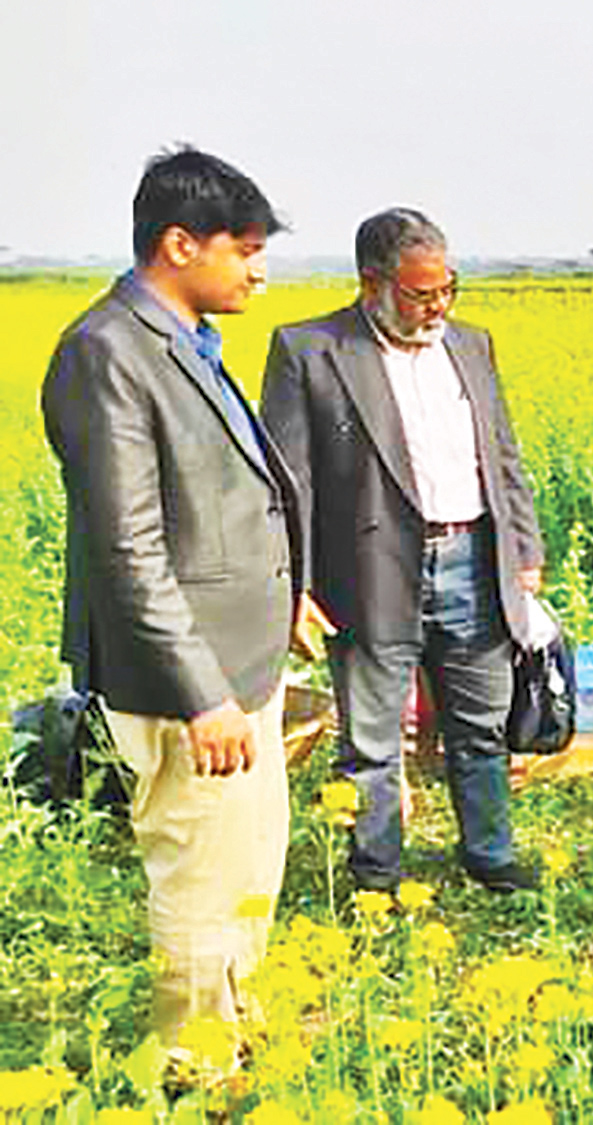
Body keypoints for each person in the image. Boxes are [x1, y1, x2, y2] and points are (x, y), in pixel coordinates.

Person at [42, 147, 317, 1049]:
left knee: (247, 865)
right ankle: (199, 1068)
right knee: (200, 878)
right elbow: (129, 549)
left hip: (244, 663)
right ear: (178, 243)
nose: (259, 270)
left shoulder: (188, 343)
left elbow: (220, 504)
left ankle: (239, 1025)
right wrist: (203, 693)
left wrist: (285, 601)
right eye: (243, 250)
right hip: (192, 686)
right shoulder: (106, 353)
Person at [260, 207, 546, 894]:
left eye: (448, 288)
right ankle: (378, 873)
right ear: (371, 284)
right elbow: (286, 481)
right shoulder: (311, 350)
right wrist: (294, 584)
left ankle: (489, 854)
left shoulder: (471, 346)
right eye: (421, 294)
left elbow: (501, 456)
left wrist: (525, 548)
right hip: (368, 573)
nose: (437, 306)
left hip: (474, 560)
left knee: (482, 724)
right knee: (371, 740)